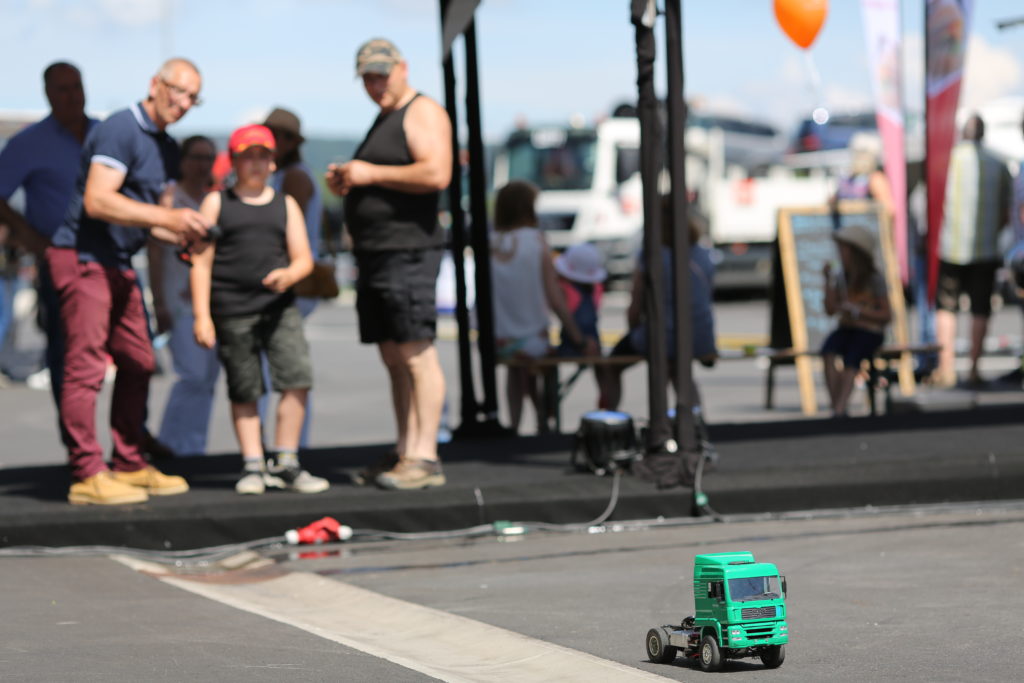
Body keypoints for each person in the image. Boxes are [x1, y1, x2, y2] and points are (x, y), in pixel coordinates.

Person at [47, 58, 210, 505]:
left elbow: (153, 220)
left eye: (193, 97)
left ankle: (130, 462)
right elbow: (99, 201)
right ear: (154, 84)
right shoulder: (121, 128)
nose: (183, 103)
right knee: (86, 368)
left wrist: (184, 229)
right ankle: (87, 471)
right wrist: (169, 217)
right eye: (177, 91)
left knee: (140, 361)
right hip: (82, 257)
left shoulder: (167, 147)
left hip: (118, 261)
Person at [326, 38, 451, 490]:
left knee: (416, 351)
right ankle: (406, 450)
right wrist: (351, 181)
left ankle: (425, 456)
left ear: (403, 68)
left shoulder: (423, 111)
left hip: (407, 251)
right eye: (368, 78)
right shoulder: (386, 117)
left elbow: (437, 172)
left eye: (382, 74)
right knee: (394, 354)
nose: (376, 84)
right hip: (378, 253)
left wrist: (368, 173)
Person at [191, 124, 327, 495]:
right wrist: (202, 316)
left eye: (263, 156)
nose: (256, 164)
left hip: (279, 309)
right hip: (232, 310)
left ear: (273, 162)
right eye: (248, 156)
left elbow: (304, 258)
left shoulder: (285, 204)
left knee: (297, 378)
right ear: (234, 161)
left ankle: (286, 460)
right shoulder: (217, 203)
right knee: (245, 388)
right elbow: (200, 263)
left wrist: (289, 274)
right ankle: (253, 463)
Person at [0, 62, 96, 402]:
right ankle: (80, 448)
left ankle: (133, 438)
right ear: (48, 94)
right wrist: (32, 239)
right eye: (63, 89)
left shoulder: (105, 135)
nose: (72, 96)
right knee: (66, 352)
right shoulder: (28, 144)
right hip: (62, 259)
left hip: (113, 256)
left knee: (131, 352)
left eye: (77, 86)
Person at [489, 180, 590, 433]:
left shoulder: (490, 241)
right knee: (538, 366)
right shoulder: (536, 240)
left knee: (516, 373)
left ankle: (513, 424)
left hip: (499, 339)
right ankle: (544, 422)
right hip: (534, 338)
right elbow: (555, 297)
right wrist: (577, 335)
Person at [604, 201, 718, 413]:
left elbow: (635, 307)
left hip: (664, 335)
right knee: (679, 372)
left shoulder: (652, 255)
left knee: (613, 366)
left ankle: (612, 420)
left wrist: (634, 329)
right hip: (700, 334)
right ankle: (695, 425)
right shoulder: (702, 253)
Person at [148, 135, 220, 455]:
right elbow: (154, 247)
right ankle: (172, 443)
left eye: (208, 158)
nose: (202, 164)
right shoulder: (170, 197)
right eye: (196, 157)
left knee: (206, 379)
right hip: (177, 298)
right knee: (192, 375)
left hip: (209, 302)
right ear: (183, 160)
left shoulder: (214, 198)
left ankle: (191, 445)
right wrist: (159, 300)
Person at [934, 114, 1012, 387]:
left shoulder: (946, 161)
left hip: (950, 247)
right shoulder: (999, 163)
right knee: (980, 309)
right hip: (986, 249)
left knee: (946, 307)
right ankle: (973, 370)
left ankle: (946, 369)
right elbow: (1007, 211)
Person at [263, 107, 322, 447]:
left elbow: (285, 230)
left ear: (289, 142)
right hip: (287, 279)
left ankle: (292, 444)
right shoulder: (287, 174)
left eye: (276, 136)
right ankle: (289, 444)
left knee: (285, 368)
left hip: (288, 281)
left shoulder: (294, 177)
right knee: (282, 368)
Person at [820, 224, 892, 417]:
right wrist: (827, 282)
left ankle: (840, 407)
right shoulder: (841, 278)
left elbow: (887, 315)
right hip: (847, 328)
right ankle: (837, 406)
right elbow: (830, 309)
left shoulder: (874, 279)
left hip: (868, 331)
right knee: (828, 351)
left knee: (852, 358)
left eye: (844, 249)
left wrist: (859, 312)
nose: (840, 253)